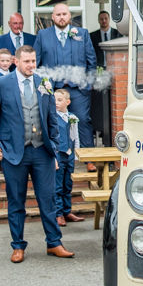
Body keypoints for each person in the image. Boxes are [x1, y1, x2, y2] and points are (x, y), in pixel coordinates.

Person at [0, 44, 74, 263]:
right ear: (16, 61)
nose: (31, 65)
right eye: (27, 62)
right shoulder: (2, 84)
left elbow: (52, 119)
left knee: (48, 200)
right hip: (14, 153)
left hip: (42, 152)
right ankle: (18, 246)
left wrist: (55, 149)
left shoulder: (44, 83)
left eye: (33, 61)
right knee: (16, 201)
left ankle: (54, 243)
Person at [34, 3, 96, 153]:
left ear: (70, 16)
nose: (61, 17)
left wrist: (87, 85)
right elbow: (35, 62)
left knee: (83, 120)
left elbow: (91, 61)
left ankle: (88, 157)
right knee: (53, 122)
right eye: (58, 14)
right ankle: (55, 154)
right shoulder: (43, 35)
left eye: (64, 14)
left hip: (78, 90)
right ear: (52, 17)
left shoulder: (82, 33)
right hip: (53, 89)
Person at [52, 88, 84, 226]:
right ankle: (58, 214)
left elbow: (75, 137)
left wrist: (76, 154)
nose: (56, 103)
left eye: (59, 100)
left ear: (68, 102)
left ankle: (67, 211)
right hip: (58, 154)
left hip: (69, 155)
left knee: (68, 184)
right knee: (58, 185)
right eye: (54, 100)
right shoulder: (52, 117)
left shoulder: (73, 118)